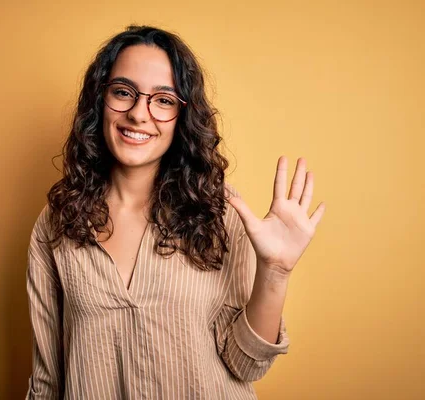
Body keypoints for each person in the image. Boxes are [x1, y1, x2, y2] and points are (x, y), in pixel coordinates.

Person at [25, 25, 325, 400]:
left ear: (183, 116)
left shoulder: (221, 214)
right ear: (100, 101)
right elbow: (47, 379)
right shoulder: (57, 223)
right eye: (123, 92)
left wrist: (275, 271)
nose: (139, 113)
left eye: (163, 100)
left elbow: (247, 365)